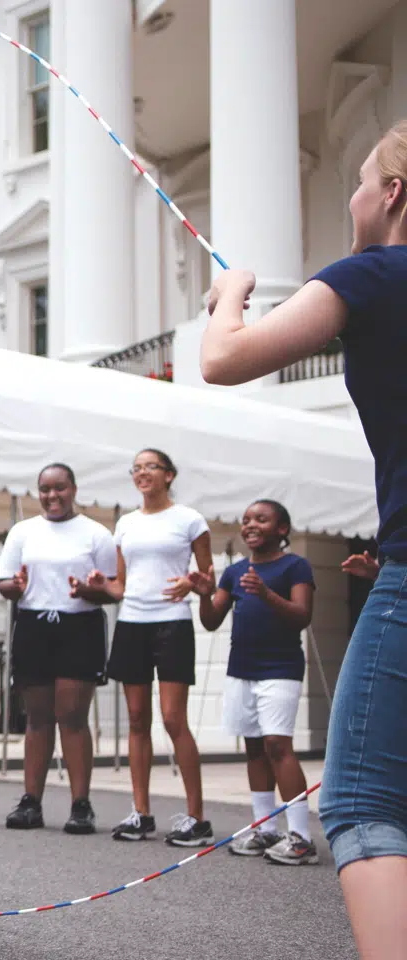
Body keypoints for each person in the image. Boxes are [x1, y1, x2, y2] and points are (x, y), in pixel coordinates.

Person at [202, 120, 407, 959]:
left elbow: (224, 359)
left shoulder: (372, 275)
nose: (352, 197)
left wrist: (231, 297)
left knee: (359, 798)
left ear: (393, 193)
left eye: (359, 182)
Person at [87, 448, 214, 846]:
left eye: (150, 467)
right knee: (137, 721)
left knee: (174, 719)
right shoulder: (124, 524)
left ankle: (197, 817)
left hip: (172, 625)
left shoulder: (190, 520)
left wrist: (192, 583)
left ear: (169, 475)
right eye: (136, 468)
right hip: (132, 624)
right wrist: (97, 586)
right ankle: (140, 813)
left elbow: (208, 579)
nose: (142, 473)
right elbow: (120, 585)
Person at [191, 500, 317, 865]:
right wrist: (203, 594)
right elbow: (213, 620)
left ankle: (301, 838)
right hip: (241, 669)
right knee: (255, 748)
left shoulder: (296, 566)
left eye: (261, 519)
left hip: (280, 668)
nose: (250, 525)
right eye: (246, 520)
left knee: (279, 745)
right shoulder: (234, 572)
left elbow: (302, 616)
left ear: (281, 530)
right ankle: (265, 828)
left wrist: (265, 594)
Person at [0, 463, 118, 835]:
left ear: (74, 489)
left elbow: (112, 588)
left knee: (73, 716)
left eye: (60, 488)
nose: (52, 496)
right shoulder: (23, 531)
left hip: (79, 625)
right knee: (37, 717)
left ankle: (81, 805)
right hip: (33, 624)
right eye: (45, 489)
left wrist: (90, 589)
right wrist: (14, 587)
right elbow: (5, 583)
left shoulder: (97, 534)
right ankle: (31, 801)